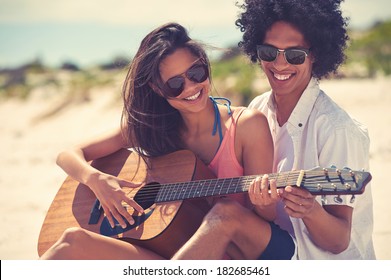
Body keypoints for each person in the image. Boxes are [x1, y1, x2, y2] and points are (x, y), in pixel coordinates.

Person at [40, 22, 295, 260]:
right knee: (71, 242)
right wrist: (96, 180)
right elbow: (68, 154)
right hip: (176, 249)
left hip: (248, 249)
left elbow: (266, 217)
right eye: (175, 84)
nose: (191, 87)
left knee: (224, 213)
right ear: (156, 88)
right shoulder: (154, 129)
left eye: (196, 72)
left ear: (205, 65)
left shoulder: (246, 125)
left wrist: (266, 201)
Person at [233, 0, 375, 259]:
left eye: (294, 55)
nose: (279, 64)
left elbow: (339, 241)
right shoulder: (257, 109)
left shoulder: (337, 129)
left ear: (316, 54)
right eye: (269, 52)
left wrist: (311, 210)